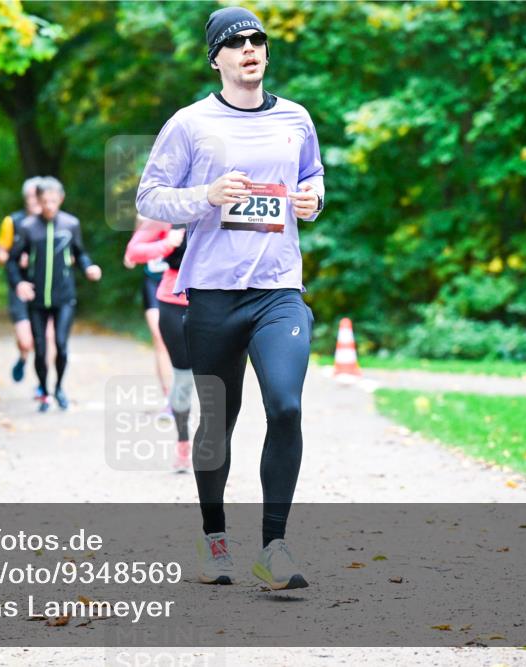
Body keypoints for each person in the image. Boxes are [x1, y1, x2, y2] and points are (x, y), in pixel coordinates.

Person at [136, 6, 324, 590]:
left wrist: (312, 199)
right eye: (235, 42)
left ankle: (274, 547)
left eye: (257, 40)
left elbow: (313, 175)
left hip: (277, 291)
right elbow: (150, 198)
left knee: (287, 407)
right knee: (218, 423)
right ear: (216, 57)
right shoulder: (190, 124)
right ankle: (214, 535)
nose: (249, 48)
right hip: (214, 294)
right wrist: (205, 196)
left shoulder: (295, 118)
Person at [7, 177, 102, 412]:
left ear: (61, 199)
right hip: (37, 299)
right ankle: (43, 390)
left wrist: (89, 267)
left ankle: (58, 387)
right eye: (44, 201)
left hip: (64, 297)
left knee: (60, 344)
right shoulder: (28, 227)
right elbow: (11, 261)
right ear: (38, 200)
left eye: (53, 200)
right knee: (40, 349)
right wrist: (19, 283)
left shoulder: (70, 224)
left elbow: (80, 253)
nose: (49, 205)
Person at [124, 216, 192, 472]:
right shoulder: (169, 213)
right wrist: (168, 243)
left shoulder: (225, 207)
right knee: (184, 379)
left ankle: (217, 443)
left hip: (216, 302)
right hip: (173, 302)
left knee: (216, 376)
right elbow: (134, 251)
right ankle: (183, 442)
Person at [0, 177, 56, 386]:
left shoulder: (55, 222)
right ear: (26, 199)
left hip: (45, 286)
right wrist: (14, 258)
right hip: (19, 286)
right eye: (31, 197)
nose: (35, 201)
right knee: (27, 341)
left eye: (39, 196)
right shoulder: (13, 222)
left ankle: (42, 383)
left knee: (47, 337)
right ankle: (23, 356)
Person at [124, 217, 174, 410]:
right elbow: (131, 254)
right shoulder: (145, 216)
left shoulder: (185, 211)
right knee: (160, 338)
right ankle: (169, 397)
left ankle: (181, 390)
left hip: (176, 284)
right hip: (153, 284)